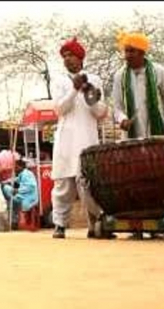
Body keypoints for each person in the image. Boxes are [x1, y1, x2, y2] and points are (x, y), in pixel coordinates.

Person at [51, 38, 109, 239]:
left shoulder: (95, 79)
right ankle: (59, 225)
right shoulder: (59, 81)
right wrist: (74, 89)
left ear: (80, 57)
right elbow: (59, 109)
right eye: (65, 56)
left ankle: (96, 224)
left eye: (71, 55)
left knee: (88, 184)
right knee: (63, 185)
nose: (67, 59)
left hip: (87, 139)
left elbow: (100, 113)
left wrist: (89, 94)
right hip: (66, 140)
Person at [113, 32, 164, 139]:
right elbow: (117, 107)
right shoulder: (120, 75)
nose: (128, 55)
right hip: (131, 137)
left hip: (158, 135)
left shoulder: (158, 71)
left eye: (132, 51)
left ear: (142, 52)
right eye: (126, 51)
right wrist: (122, 119)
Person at [3, 159, 39, 229]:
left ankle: (17, 221)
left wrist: (18, 191)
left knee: (12, 200)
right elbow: (15, 179)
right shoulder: (22, 174)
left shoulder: (27, 174)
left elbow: (31, 186)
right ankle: (14, 221)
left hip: (29, 198)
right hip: (23, 196)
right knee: (6, 189)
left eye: (16, 167)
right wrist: (5, 182)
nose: (15, 169)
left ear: (21, 167)